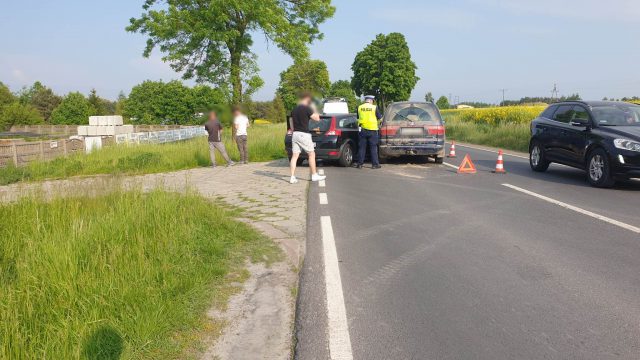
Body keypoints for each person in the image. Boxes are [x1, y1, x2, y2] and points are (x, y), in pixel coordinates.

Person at [289, 92, 327, 184]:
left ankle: (292, 177)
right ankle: (314, 175)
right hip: (304, 134)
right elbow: (317, 118)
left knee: (294, 156)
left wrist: (294, 130)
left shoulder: (294, 109)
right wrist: (314, 108)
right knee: (311, 154)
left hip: (295, 134)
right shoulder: (307, 108)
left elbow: (291, 122)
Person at [356, 95, 383, 169]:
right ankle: (375, 164)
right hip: (372, 130)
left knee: (362, 147)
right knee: (373, 147)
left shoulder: (359, 107)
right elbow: (380, 118)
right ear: (371, 100)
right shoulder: (374, 107)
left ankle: (360, 164)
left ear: (365, 100)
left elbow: (358, 118)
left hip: (362, 130)